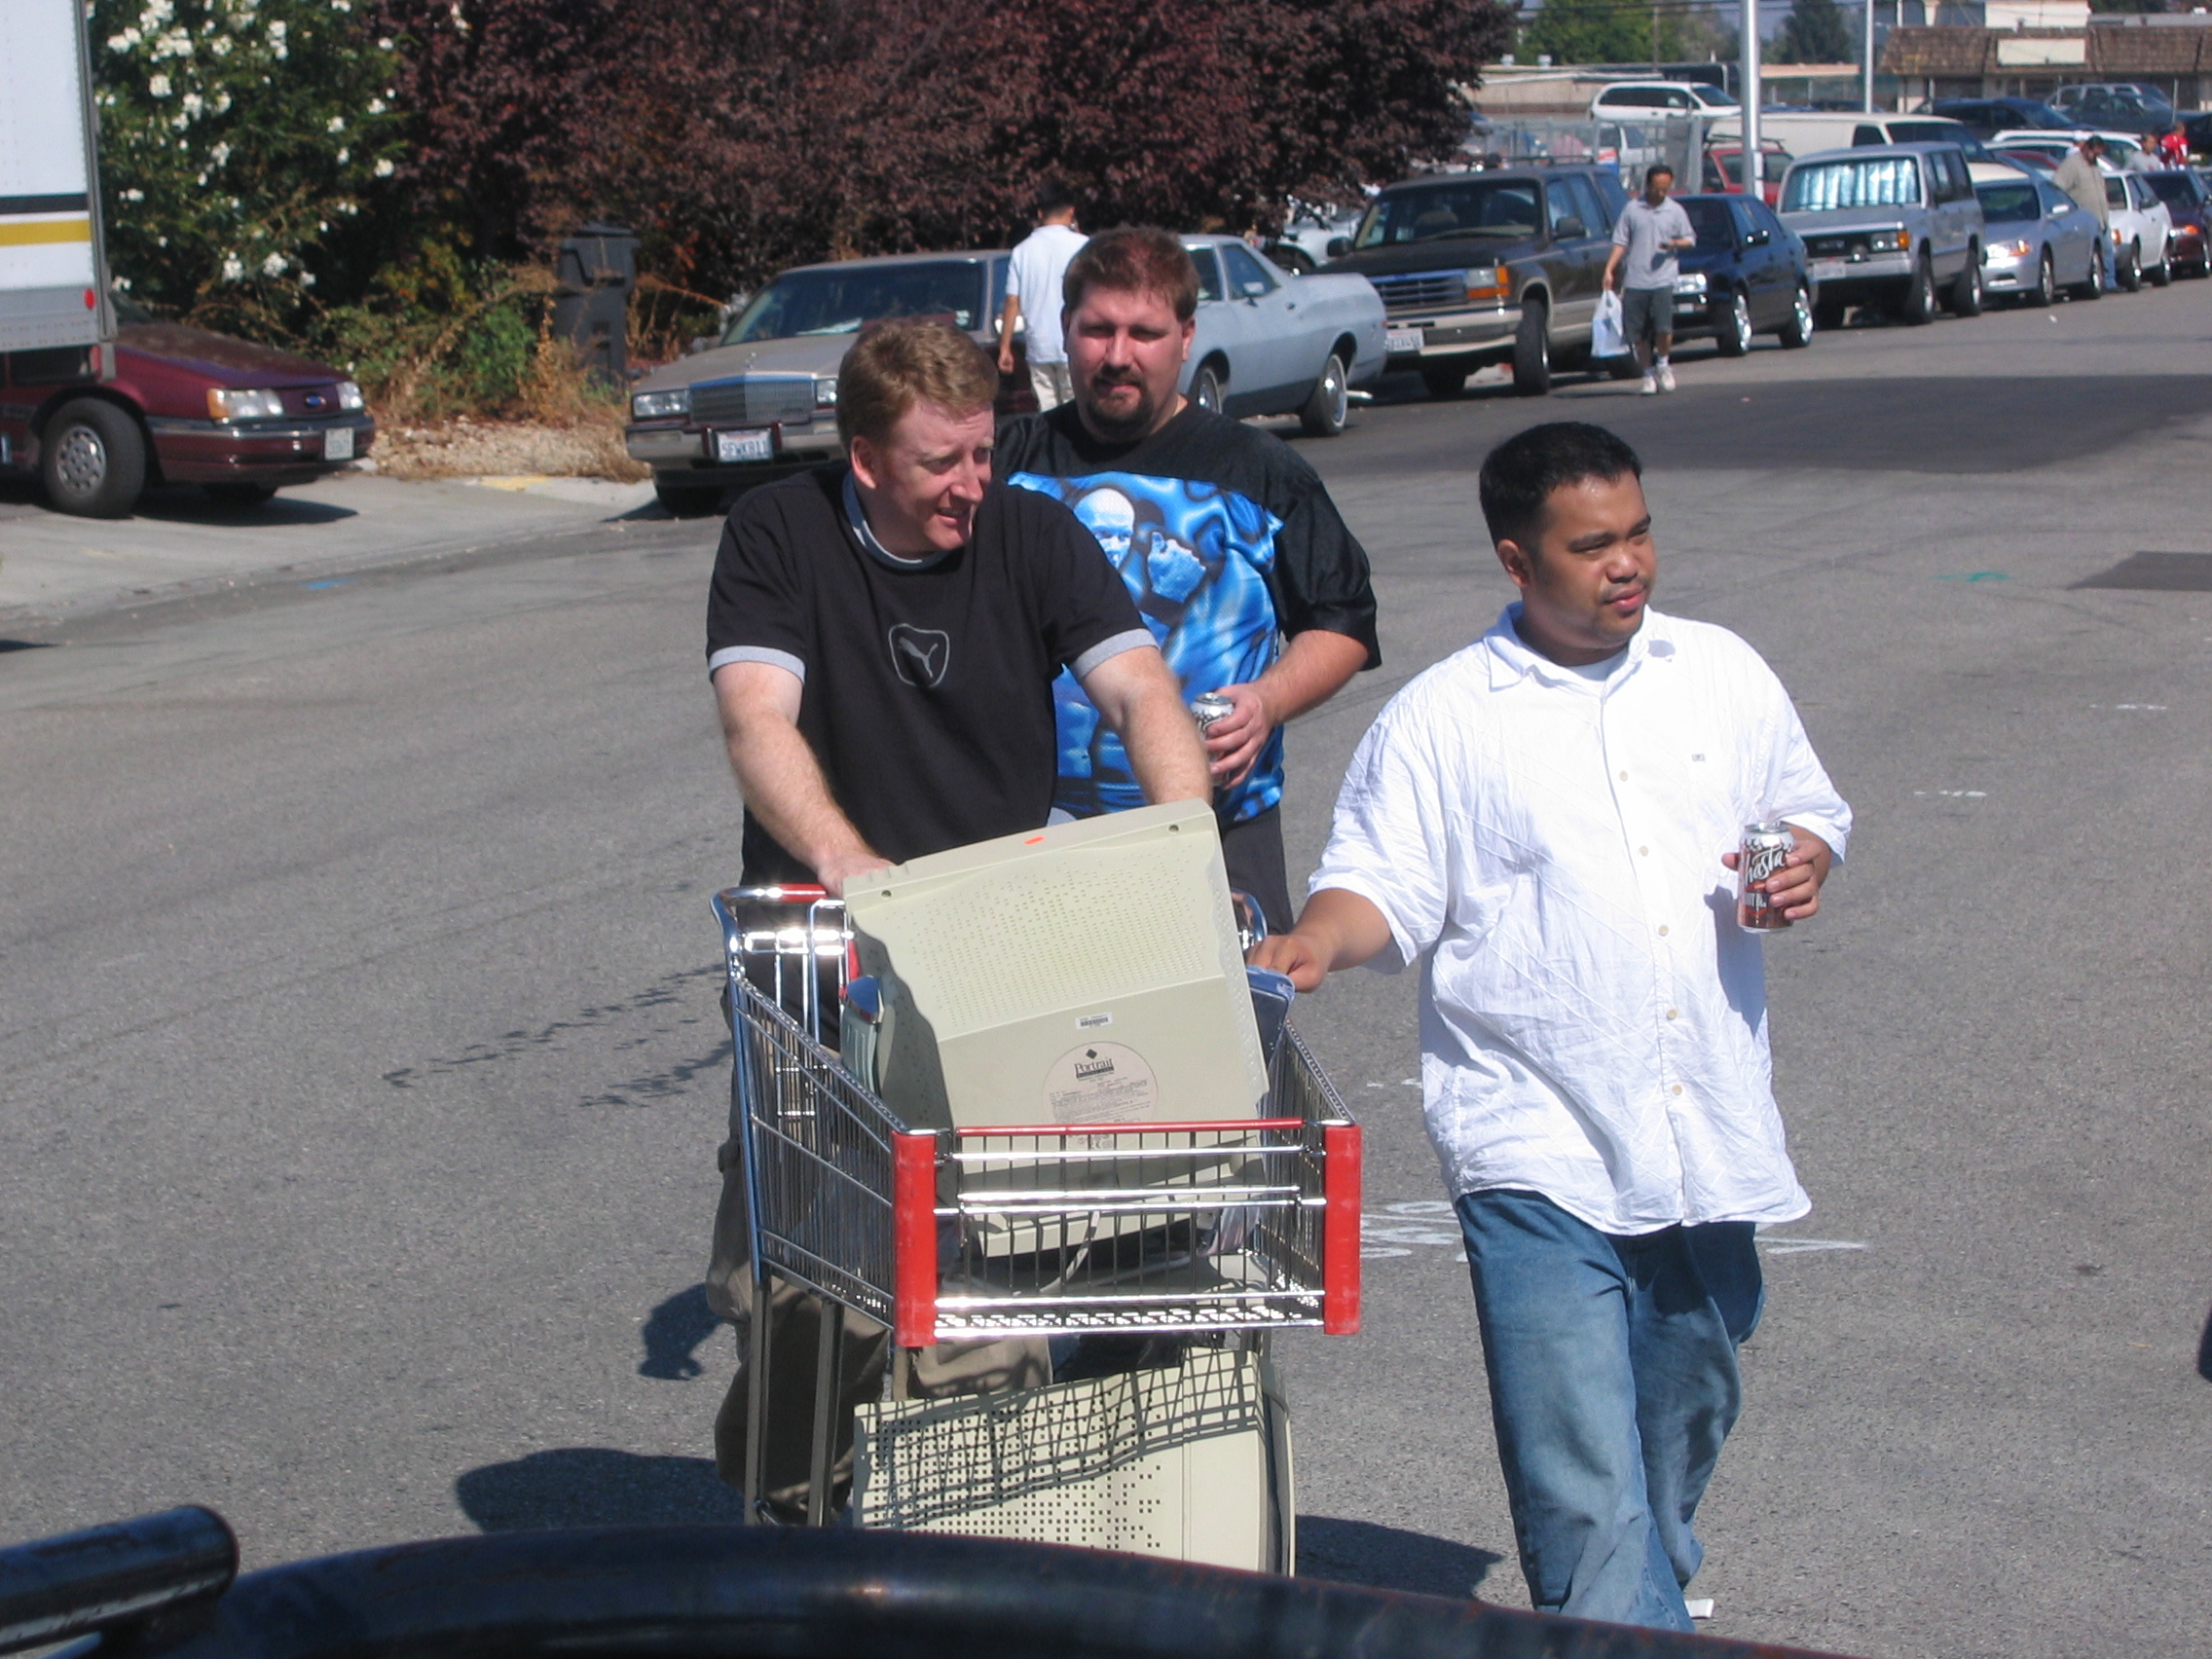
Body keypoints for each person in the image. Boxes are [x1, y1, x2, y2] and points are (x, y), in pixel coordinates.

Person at [1251, 422, 1852, 1632]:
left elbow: (1804, 807)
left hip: (1702, 1129)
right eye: (1592, 547)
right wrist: (1315, 940)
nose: (1627, 564)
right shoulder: (1444, 718)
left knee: (1686, 1405)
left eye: (1638, 534)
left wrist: (1804, 862)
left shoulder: (1719, 671)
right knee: (1579, 1474)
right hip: (1529, 1137)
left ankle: (1637, 1592)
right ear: (1518, 562)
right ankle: (1623, 1622)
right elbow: (1379, 884)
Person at [703, 316, 1209, 1514]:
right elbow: (756, 718)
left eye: (983, 452)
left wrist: (1182, 846)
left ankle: (959, 1542)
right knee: (800, 1294)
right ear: (866, 458)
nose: (971, 485)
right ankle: (785, 1505)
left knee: (980, 1290)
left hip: (989, 957)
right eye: (941, 462)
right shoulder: (779, 533)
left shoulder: (1029, 534)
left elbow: (1139, 688)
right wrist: (851, 864)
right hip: (826, 960)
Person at [994, 226, 1381, 932]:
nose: (1117, 356)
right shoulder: (1006, 463)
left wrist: (1268, 700)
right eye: (1097, 330)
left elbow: (1342, 619)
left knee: (1231, 1005)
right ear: (1065, 328)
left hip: (1221, 832)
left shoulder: (1258, 470)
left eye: (1144, 333)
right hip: (1029, 837)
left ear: (1186, 336)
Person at [1603, 164, 1695, 395]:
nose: (1660, 193)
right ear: (1647, 185)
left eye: (1665, 189)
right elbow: (1620, 242)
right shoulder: (1632, 209)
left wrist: (1673, 244)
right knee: (1638, 332)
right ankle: (1647, 373)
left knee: (1663, 327)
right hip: (1636, 279)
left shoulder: (1675, 211)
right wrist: (1609, 269)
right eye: (1656, 188)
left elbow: (1690, 239)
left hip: (1663, 278)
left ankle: (1663, 364)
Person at [997, 180, 1088, 412]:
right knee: (1077, 409)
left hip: (1038, 346)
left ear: (1040, 213)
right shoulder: (1084, 247)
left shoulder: (1021, 251)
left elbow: (1012, 301)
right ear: (1071, 211)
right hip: (1076, 342)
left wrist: (1005, 347)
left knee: (1048, 412)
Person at [2054, 133, 2115, 291]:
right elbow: (2058, 188)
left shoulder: (2095, 166)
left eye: (2099, 154)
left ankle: (2110, 283)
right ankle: (2094, 284)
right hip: (2085, 220)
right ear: (2086, 148)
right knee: (2092, 255)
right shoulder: (2072, 165)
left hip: (2102, 218)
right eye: (2095, 153)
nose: (2096, 157)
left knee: (2108, 250)